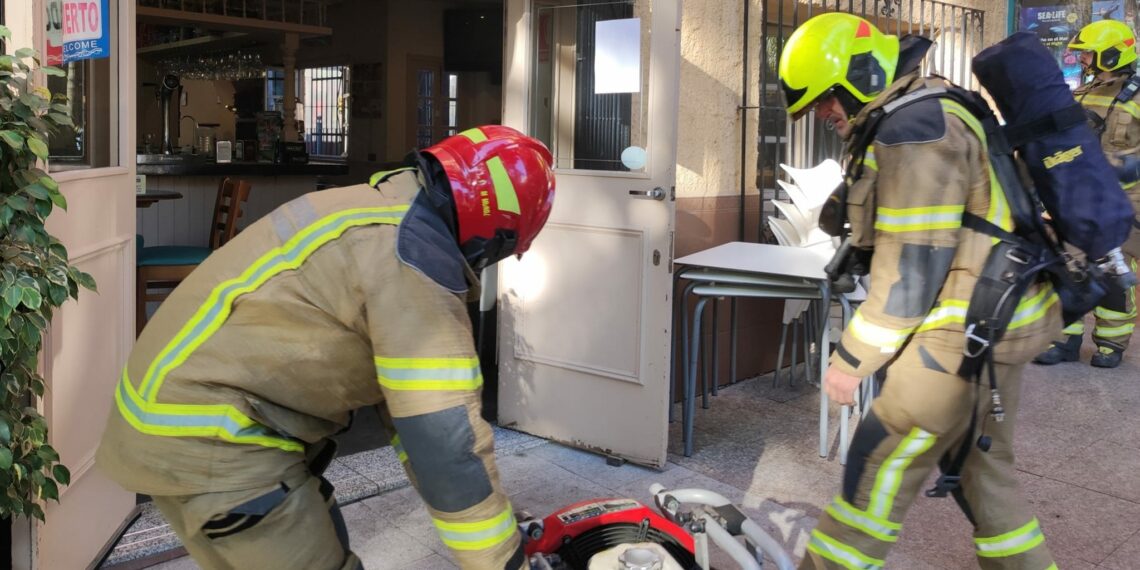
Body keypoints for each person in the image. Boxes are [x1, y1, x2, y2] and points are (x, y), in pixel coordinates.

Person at [96, 125, 556, 570]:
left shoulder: (374, 212)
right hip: (215, 444)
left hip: (176, 426)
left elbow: (412, 423)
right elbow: (444, 442)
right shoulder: (415, 265)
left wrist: (492, 517)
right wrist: (502, 560)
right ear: (494, 232)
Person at [779, 13, 1062, 569]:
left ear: (856, 75)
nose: (823, 113)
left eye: (825, 99)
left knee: (875, 469)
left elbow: (913, 268)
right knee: (984, 475)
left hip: (959, 335)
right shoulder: (930, 108)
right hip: (996, 323)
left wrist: (852, 358)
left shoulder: (913, 131)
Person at [1034, 19, 1140, 368]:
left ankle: (1111, 344)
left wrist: (1125, 164)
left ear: (1111, 54)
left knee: (1113, 271)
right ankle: (1065, 339)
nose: (1083, 61)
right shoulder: (1082, 91)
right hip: (1080, 196)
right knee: (1069, 265)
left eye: (1089, 55)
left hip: (1125, 200)